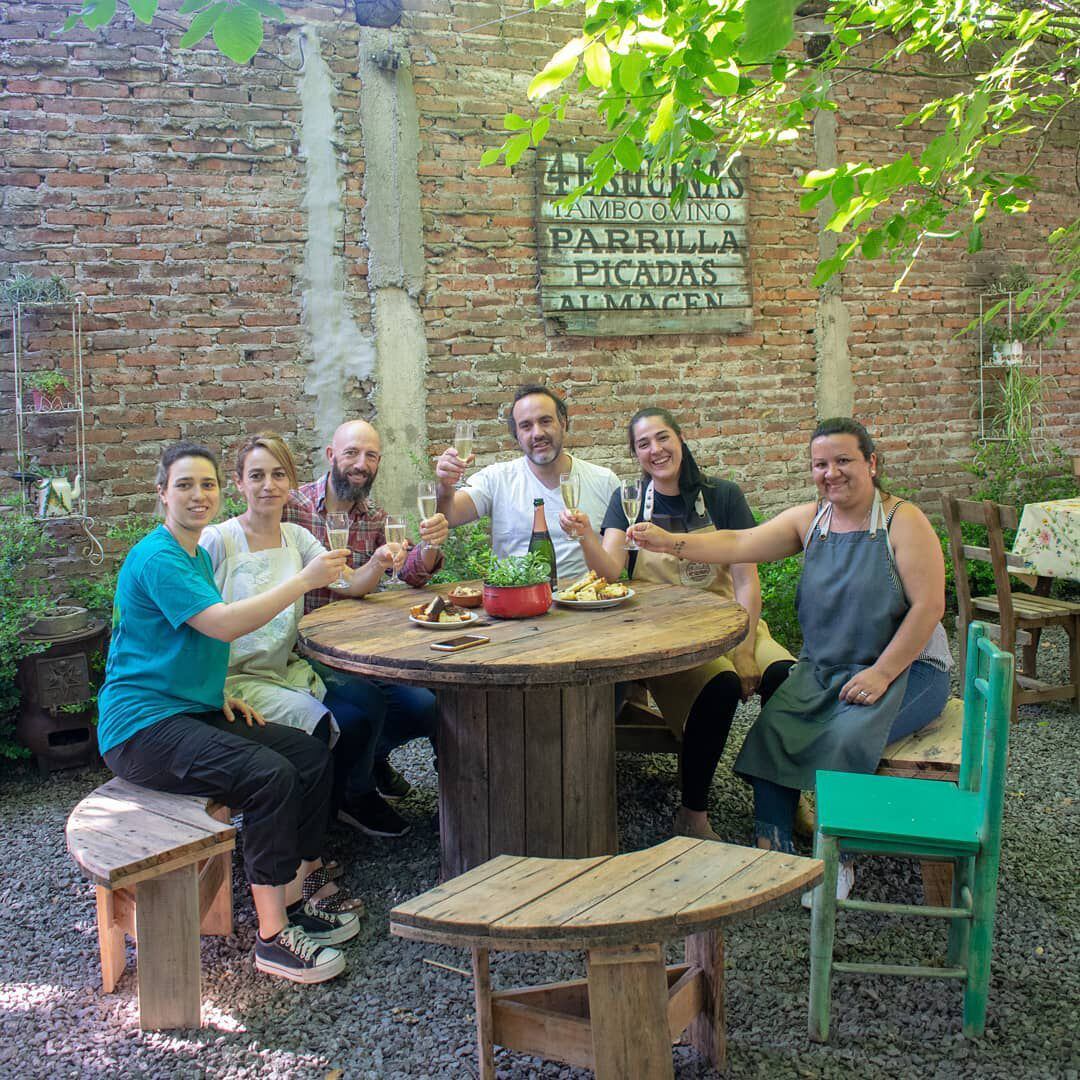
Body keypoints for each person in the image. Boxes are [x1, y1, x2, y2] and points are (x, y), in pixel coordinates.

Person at [628, 418, 951, 901]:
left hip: (909, 669)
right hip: (828, 668)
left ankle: (837, 860)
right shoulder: (810, 520)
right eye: (821, 464)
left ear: (872, 463)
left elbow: (930, 606)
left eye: (844, 461)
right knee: (775, 728)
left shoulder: (903, 520)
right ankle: (773, 854)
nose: (831, 473)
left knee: (843, 733)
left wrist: (883, 673)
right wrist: (667, 542)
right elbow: (738, 543)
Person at [97, 441, 364, 985]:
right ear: (162, 494)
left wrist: (215, 692)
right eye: (185, 485)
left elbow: (171, 643)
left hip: (189, 710)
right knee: (268, 776)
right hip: (141, 728)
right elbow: (220, 624)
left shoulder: (194, 553)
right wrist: (303, 581)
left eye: (207, 485)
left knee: (309, 755)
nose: (199, 495)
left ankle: (293, 893)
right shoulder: (160, 556)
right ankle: (271, 938)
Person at [560, 407, 796, 841]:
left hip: (731, 620)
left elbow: (746, 580)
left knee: (789, 679)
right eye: (644, 444)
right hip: (665, 633)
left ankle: (780, 799)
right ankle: (693, 813)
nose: (656, 449)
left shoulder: (723, 495)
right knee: (721, 688)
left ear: (681, 440)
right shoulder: (629, 499)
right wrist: (587, 536)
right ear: (635, 454)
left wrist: (745, 648)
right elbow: (611, 571)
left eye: (662, 438)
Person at [200, 433, 406, 869]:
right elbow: (192, 623)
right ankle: (300, 848)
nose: (268, 486)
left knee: (365, 705)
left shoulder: (296, 537)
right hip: (229, 679)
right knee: (319, 730)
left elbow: (348, 583)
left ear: (291, 482)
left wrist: (379, 562)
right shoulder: (218, 541)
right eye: (256, 476)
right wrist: (208, 688)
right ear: (238, 483)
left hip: (282, 668)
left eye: (278, 475)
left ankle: (338, 806)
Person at [284, 419, 448, 838]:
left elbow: (408, 573)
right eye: (352, 453)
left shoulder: (375, 515)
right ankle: (355, 795)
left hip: (359, 649)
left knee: (425, 707)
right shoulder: (292, 507)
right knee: (363, 707)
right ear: (330, 456)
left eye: (371, 456)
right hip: (305, 652)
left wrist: (429, 547)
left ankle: (367, 760)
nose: (361, 464)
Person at [434, 384, 619, 582]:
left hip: (584, 602)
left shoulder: (604, 481)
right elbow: (449, 516)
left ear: (563, 423)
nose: (537, 433)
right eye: (526, 426)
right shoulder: (497, 479)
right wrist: (445, 486)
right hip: (516, 604)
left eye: (545, 421)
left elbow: (614, 570)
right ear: (517, 436)